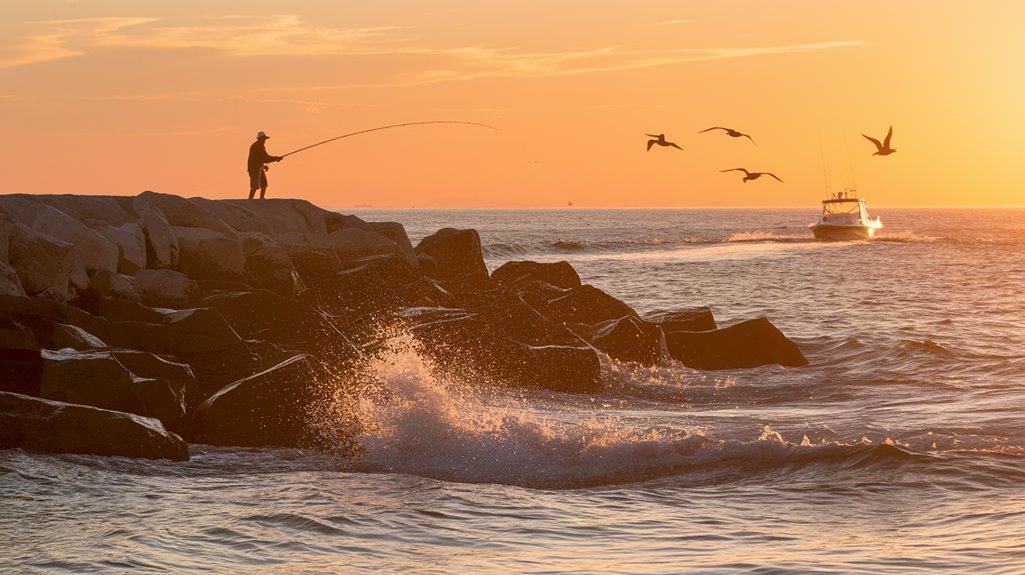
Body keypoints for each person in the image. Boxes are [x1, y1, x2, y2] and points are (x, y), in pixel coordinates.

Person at [247, 131, 283, 199]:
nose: (264, 141)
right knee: (254, 186)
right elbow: (265, 158)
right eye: (263, 139)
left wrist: (263, 166)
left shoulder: (257, 145)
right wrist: (276, 158)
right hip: (255, 169)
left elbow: (259, 158)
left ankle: (261, 198)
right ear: (260, 139)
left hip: (258, 167)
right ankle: (250, 201)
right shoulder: (258, 146)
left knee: (264, 184)